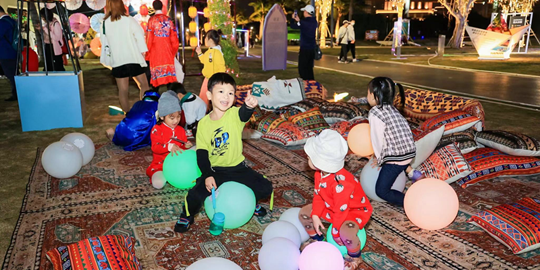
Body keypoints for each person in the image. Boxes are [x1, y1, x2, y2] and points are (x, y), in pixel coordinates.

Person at [174, 73, 273, 233]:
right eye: (221, 92)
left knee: (266, 187)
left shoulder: (234, 114)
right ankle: (186, 215)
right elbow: (202, 154)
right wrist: (207, 175)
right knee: (194, 195)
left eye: (230, 93)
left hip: (238, 168)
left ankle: (249, 202)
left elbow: (244, 114)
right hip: (215, 170)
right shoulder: (203, 125)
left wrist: (249, 106)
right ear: (209, 95)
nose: (226, 97)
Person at [299, 129, 372, 270]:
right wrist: (315, 215)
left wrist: (335, 232)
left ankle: (355, 256)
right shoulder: (319, 174)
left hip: (353, 210)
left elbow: (341, 211)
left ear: (319, 162)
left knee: (346, 233)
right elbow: (318, 196)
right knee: (304, 214)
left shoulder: (342, 184)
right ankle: (318, 240)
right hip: (333, 206)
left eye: (309, 157)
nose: (307, 159)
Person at [367, 77, 423, 207]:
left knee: (381, 191)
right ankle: (413, 173)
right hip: (409, 152)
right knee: (399, 158)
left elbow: (377, 138)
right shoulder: (393, 109)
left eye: (368, 93)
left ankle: (411, 203)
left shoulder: (375, 112)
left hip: (396, 158)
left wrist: (379, 158)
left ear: (374, 95)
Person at [101, 0, 151, 113]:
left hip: (118, 61)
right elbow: (140, 34)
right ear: (121, 5)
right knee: (144, 85)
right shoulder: (129, 20)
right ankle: (144, 111)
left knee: (123, 90)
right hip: (133, 58)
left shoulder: (105, 23)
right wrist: (143, 51)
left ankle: (127, 115)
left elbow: (104, 42)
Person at [146, 90, 193, 189]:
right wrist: (169, 147)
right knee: (158, 184)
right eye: (172, 118)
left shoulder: (180, 130)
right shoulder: (156, 129)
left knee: (198, 149)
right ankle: (166, 176)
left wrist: (186, 146)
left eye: (178, 117)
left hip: (177, 164)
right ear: (162, 117)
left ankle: (173, 176)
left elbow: (182, 148)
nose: (176, 120)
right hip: (161, 166)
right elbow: (155, 147)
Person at [146, 0, 179, 89]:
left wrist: (147, 52)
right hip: (167, 51)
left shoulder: (151, 20)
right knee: (169, 78)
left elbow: (149, 39)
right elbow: (174, 37)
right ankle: (171, 95)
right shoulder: (168, 20)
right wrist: (173, 51)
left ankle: (155, 96)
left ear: (153, 8)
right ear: (162, 7)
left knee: (155, 78)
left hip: (155, 51)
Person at [195, 29, 226, 108]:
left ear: (211, 40)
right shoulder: (209, 51)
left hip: (215, 80)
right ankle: (203, 111)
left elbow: (221, 67)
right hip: (207, 78)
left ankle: (215, 110)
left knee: (215, 98)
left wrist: (220, 79)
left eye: (205, 38)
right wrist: (199, 53)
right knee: (203, 96)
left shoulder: (218, 53)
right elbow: (204, 60)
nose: (204, 40)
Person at [291, 4, 317, 80]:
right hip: (312, 48)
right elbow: (304, 25)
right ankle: (311, 83)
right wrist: (299, 21)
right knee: (309, 68)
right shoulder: (314, 21)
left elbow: (293, 26)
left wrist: (293, 19)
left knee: (302, 68)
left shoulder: (304, 22)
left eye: (304, 11)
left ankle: (306, 84)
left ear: (306, 12)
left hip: (305, 48)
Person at [0, 6, 18, 101]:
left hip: (5, 52)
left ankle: (16, 94)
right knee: (14, 73)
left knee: (11, 74)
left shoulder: (2, 23)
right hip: (13, 50)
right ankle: (16, 93)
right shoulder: (12, 20)